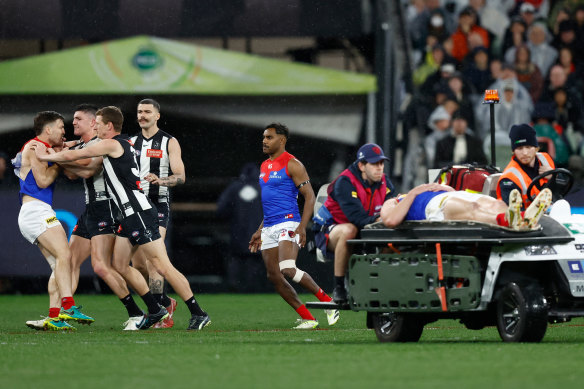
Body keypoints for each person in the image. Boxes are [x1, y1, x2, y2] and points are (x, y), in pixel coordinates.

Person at [35, 106, 210, 331]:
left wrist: (44, 155)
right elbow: (78, 153)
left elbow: (76, 155)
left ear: (109, 126)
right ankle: (156, 310)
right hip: (126, 215)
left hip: (138, 212)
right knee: (119, 264)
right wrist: (62, 148)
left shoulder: (112, 143)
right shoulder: (116, 144)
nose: (94, 126)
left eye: (97, 123)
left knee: (161, 266)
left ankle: (198, 312)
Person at [26, 104, 146, 332]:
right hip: (91, 209)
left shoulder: (100, 145)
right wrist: (54, 154)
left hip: (106, 206)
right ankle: (59, 313)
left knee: (103, 266)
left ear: (93, 123)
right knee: (68, 260)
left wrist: (52, 156)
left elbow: (88, 170)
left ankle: (140, 312)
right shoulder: (82, 144)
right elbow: (72, 172)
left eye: (78, 119)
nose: (73, 123)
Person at [248, 123, 339, 329]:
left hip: (288, 222)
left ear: (282, 140)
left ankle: (327, 301)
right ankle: (308, 317)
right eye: (263, 137)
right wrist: (260, 229)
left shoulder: (293, 164)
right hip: (270, 226)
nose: (264, 141)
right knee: (274, 276)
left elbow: (310, 197)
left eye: (269, 137)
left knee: (287, 268)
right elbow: (270, 202)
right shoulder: (264, 166)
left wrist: (302, 226)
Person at [16, 111, 94, 331]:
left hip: (34, 211)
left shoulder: (41, 145)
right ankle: (68, 307)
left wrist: (71, 145)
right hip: (36, 210)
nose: (64, 131)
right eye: (61, 127)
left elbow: (65, 145)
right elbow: (41, 181)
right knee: (65, 255)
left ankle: (53, 317)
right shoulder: (36, 147)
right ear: (48, 129)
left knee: (59, 266)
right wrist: (58, 163)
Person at [313, 143, 395, 305]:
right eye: (374, 164)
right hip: (329, 229)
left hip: (364, 228)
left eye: (381, 163)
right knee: (349, 230)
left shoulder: (385, 182)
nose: (379, 168)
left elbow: (391, 206)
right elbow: (357, 219)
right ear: (361, 166)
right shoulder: (345, 182)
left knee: (392, 233)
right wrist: (384, 218)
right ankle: (339, 287)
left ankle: (381, 285)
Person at [127, 98, 185, 328]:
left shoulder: (169, 141)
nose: (142, 115)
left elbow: (180, 175)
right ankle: (163, 302)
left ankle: (162, 314)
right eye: (140, 112)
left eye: (147, 112)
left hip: (157, 203)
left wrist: (162, 180)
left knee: (154, 261)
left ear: (157, 116)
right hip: (134, 205)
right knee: (136, 264)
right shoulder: (130, 142)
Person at [380, 183, 552, 232]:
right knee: (472, 208)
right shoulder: (393, 202)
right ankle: (507, 220)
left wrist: (446, 188)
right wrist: (414, 192)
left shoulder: (415, 191)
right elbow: (391, 220)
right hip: (434, 208)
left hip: (450, 194)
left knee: (496, 203)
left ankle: (522, 217)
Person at [217, 162, 270, 293]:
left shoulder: (234, 188)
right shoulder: (264, 188)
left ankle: (234, 287)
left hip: (237, 232)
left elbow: (221, 209)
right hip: (259, 233)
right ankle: (254, 288)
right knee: (255, 260)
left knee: (236, 259)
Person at [496, 123, 556, 208]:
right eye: (519, 148)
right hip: (528, 218)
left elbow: (562, 190)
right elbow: (514, 213)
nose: (524, 153)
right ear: (513, 151)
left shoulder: (545, 159)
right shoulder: (509, 178)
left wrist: (553, 177)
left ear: (536, 148)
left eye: (528, 147)